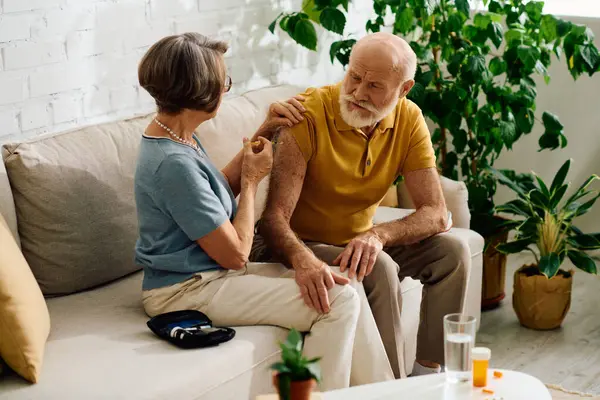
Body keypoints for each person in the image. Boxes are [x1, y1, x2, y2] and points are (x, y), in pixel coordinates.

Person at [133, 32, 394, 391]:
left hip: (206, 277)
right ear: (200, 91)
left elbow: (213, 192)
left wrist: (267, 129)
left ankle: (388, 393)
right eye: (223, 81)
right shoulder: (172, 163)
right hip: (185, 290)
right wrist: (254, 182)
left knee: (340, 282)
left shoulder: (176, 137)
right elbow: (237, 254)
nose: (225, 89)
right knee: (336, 302)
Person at [254, 32, 471, 379]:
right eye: (354, 77)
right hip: (297, 244)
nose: (357, 93)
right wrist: (309, 259)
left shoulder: (409, 119)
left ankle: (427, 376)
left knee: (452, 254)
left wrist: (378, 235)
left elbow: (435, 212)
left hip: (355, 241)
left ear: (403, 89)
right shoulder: (308, 114)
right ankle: (392, 389)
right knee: (378, 268)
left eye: (374, 86)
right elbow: (274, 220)